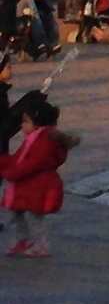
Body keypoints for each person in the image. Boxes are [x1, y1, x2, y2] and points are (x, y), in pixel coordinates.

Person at [3, 94, 74, 255]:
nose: (21, 125)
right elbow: (18, 159)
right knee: (16, 211)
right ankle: (22, 239)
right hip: (26, 185)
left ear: (37, 123)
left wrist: (12, 172)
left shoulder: (44, 142)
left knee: (35, 217)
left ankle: (41, 245)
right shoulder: (32, 139)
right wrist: (5, 163)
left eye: (25, 122)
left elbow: (33, 164)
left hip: (38, 185)